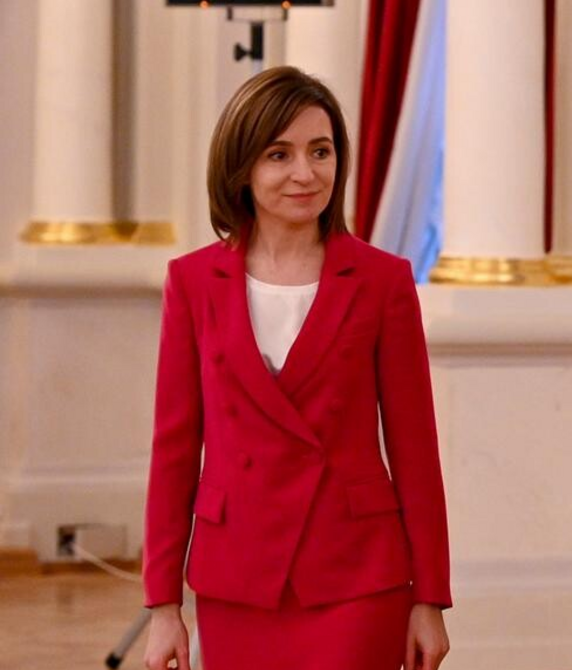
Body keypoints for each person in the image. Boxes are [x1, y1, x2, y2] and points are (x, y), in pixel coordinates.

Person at [142, 66, 451, 670]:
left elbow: (416, 449)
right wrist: (162, 605)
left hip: (357, 572)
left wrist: (430, 597)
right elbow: (174, 450)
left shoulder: (383, 281)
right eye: (279, 154)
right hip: (238, 574)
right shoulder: (193, 282)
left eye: (321, 151)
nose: (305, 173)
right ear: (242, 167)